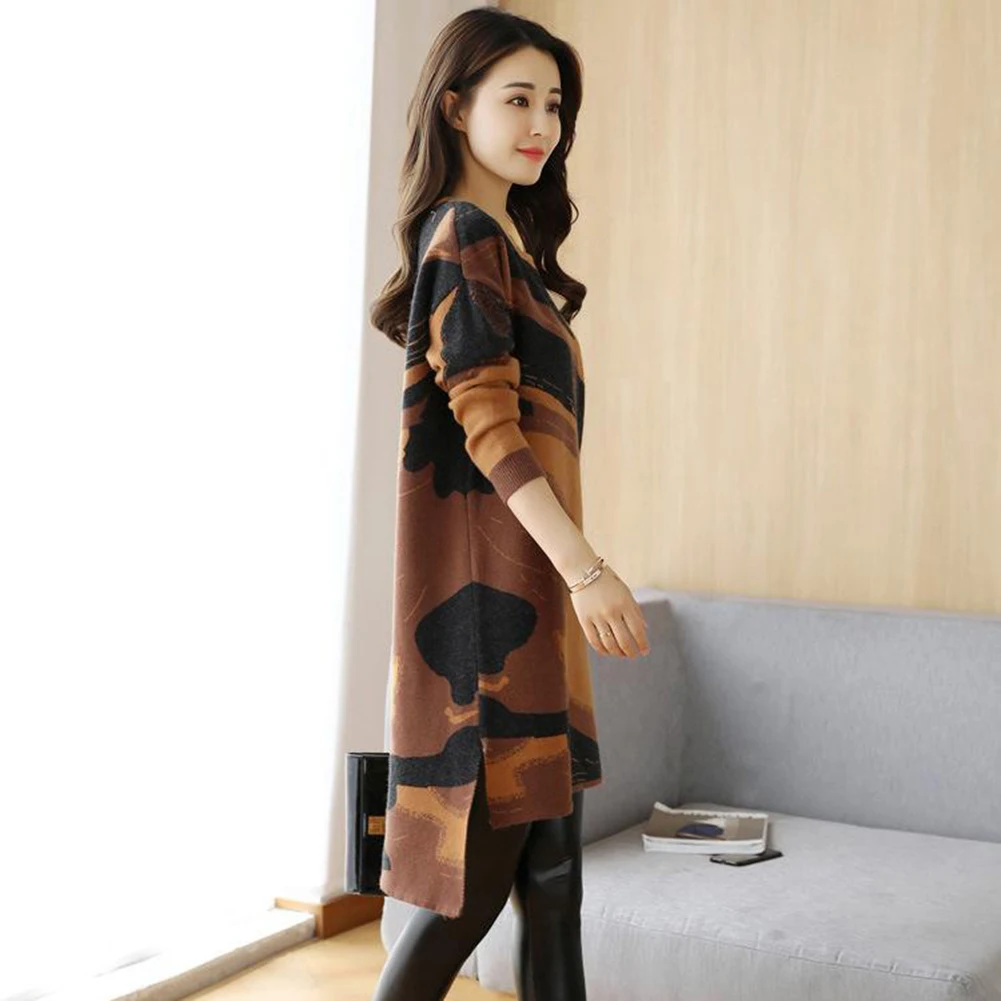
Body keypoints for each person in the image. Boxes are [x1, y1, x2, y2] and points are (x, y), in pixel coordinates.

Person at [368, 7, 649, 1000]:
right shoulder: (465, 232)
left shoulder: (507, 248)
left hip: (530, 618)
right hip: (492, 624)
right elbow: (486, 424)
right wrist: (586, 570)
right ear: (455, 108)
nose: (541, 125)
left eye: (554, 105)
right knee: (470, 897)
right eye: (517, 99)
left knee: (554, 888)